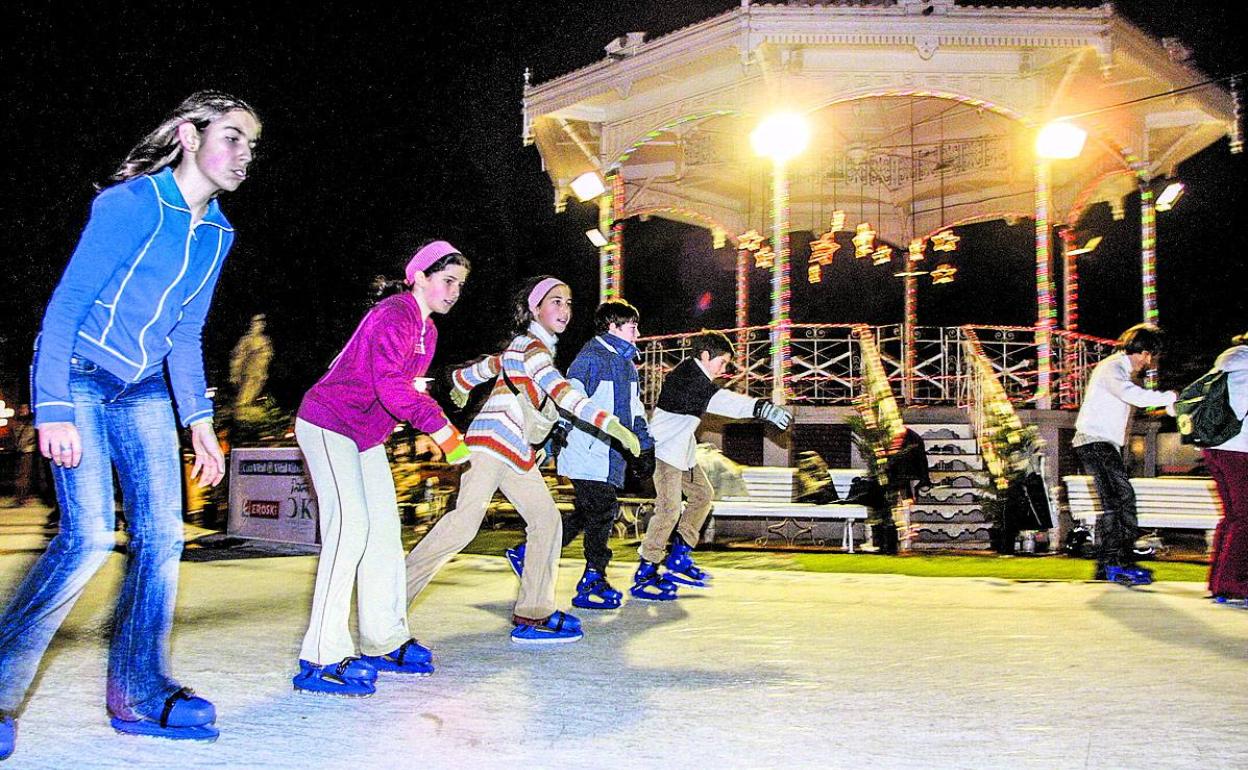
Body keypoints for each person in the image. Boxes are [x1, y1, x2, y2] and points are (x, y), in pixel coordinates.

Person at [0, 91, 260, 755]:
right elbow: (64, 310)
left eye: (251, 145)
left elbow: (187, 331)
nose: (243, 154)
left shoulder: (218, 233)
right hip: (84, 375)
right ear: (188, 134)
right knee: (87, 536)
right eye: (231, 137)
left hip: (144, 389)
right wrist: (53, 407)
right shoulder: (130, 206)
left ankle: (140, 691)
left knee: (162, 534)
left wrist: (198, 420)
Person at [405, 276, 641, 644]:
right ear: (534, 308)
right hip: (489, 444)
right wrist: (610, 424)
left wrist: (461, 381)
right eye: (556, 301)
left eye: (568, 302)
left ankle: (534, 612)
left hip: (517, 453)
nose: (565, 310)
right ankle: (390, 600)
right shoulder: (530, 347)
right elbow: (562, 393)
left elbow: (489, 366)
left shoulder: (529, 349)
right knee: (463, 524)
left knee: (548, 522)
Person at [292, 241, 472, 697]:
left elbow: (399, 395)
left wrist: (426, 431)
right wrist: (443, 432)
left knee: (385, 533)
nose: (454, 291)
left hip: (365, 437)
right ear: (420, 277)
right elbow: (391, 387)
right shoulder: (395, 313)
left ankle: (383, 639)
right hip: (328, 422)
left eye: (460, 285)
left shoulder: (427, 334)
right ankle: (321, 654)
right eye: (448, 281)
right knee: (350, 528)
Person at [504, 300, 654, 611]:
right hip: (585, 450)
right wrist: (553, 439)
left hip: (608, 455)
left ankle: (527, 552)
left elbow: (635, 409)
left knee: (586, 513)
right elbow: (567, 399)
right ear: (613, 327)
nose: (637, 332)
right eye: (632, 326)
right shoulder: (591, 358)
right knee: (602, 510)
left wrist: (644, 444)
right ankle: (593, 578)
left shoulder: (626, 364)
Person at [634, 330, 793, 601]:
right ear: (705, 356)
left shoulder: (696, 377)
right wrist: (762, 409)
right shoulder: (687, 376)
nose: (724, 369)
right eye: (722, 362)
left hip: (682, 453)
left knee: (703, 496)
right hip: (664, 453)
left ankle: (679, 556)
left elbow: (716, 398)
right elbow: (721, 401)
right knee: (669, 510)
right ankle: (646, 572)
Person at [1072, 324, 1176, 586]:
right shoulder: (1112, 368)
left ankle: (1109, 564)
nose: (1149, 362)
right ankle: (1116, 562)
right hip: (1095, 441)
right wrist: (1168, 397)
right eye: (1149, 355)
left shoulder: (1117, 370)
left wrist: (1169, 406)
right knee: (1122, 499)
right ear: (1141, 351)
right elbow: (1132, 396)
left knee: (1115, 503)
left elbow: (1132, 398)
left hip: (1099, 443)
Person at [1203, 331, 1248, 607]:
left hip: (1215, 447)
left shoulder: (1226, 365)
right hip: (1240, 449)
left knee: (1233, 516)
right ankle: (1234, 584)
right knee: (1244, 518)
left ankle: (1219, 581)